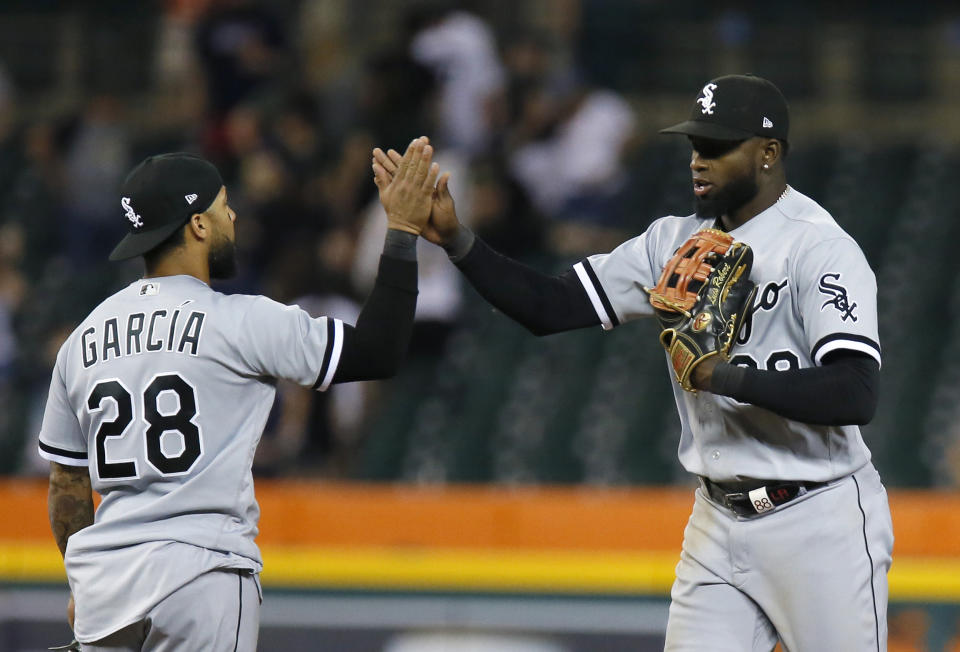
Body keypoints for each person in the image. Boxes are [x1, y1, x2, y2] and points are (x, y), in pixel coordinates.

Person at [373, 75, 892, 651]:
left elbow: (855, 392)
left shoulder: (819, 248)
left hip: (818, 518)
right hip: (717, 519)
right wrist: (455, 239)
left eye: (718, 147)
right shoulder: (672, 242)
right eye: (696, 145)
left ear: (769, 153)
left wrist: (721, 376)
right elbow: (550, 306)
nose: (699, 160)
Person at [40, 137, 439, 651]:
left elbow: (66, 485)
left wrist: (83, 583)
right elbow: (378, 352)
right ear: (197, 225)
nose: (233, 216)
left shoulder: (83, 340)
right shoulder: (241, 320)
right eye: (223, 205)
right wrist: (403, 232)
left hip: (107, 590)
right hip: (203, 573)